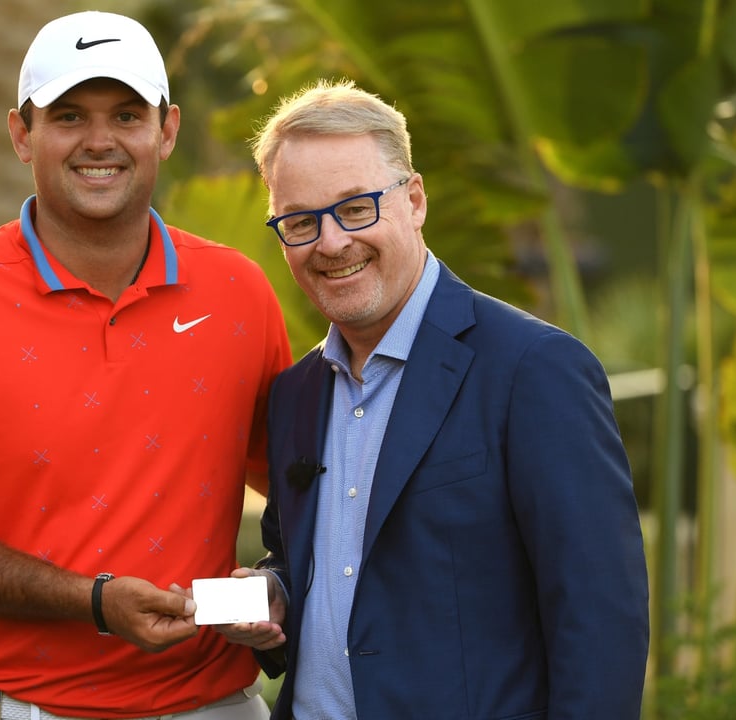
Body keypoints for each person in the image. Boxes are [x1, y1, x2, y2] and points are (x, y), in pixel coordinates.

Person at [0, 10, 291, 720]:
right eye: (69, 115)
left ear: (167, 130)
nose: (100, 141)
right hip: (14, 706)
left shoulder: (239, 294)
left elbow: (304, 492)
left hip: (214, 705)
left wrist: (275, 584)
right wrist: (90, 601)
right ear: (22, 134)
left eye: (125, 113)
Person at [215, 79, 650, 719]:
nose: (331, 243)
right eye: (301, 221)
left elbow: (599, 618)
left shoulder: (534, 369)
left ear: (414, 200)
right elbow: (310, 558)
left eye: (356, 208)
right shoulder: (295, 394)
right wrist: (275, 590)